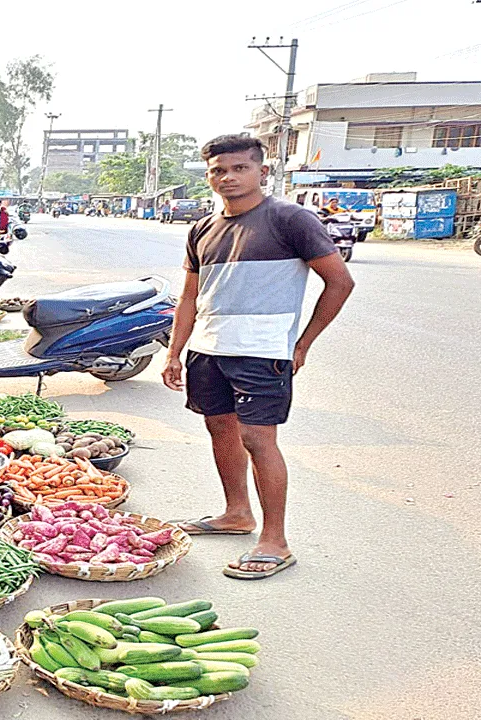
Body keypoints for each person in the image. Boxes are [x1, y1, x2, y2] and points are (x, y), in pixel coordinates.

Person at [161, 134, 355, 580]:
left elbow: (339, 282)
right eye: (217, 170)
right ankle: (236, 514)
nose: (227, 177)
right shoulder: (202, 229)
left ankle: (275, 541)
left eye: (238, 168)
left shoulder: (290, 219)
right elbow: (191, 296)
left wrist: (301, 344)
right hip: (209, 349)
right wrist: (175, 352)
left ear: (261, 171)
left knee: (258, 440)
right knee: (219, 428)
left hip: (263, 352)